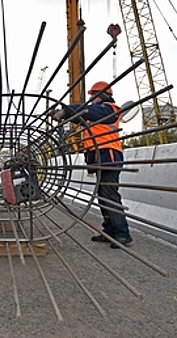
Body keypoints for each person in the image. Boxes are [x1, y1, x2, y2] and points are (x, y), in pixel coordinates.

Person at [51, 81, 132, 248]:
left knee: (110, 195)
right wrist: (64, 114)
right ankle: (109, 232)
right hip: (99, 158)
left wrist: (66, 109)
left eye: (93, 96)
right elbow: (82, 117)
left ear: (101, 95)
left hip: (109, 157)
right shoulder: (96, 113)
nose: (91, 100)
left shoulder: (110, 109)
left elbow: (89, 111)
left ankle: (123, 234)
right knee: (102, 196)